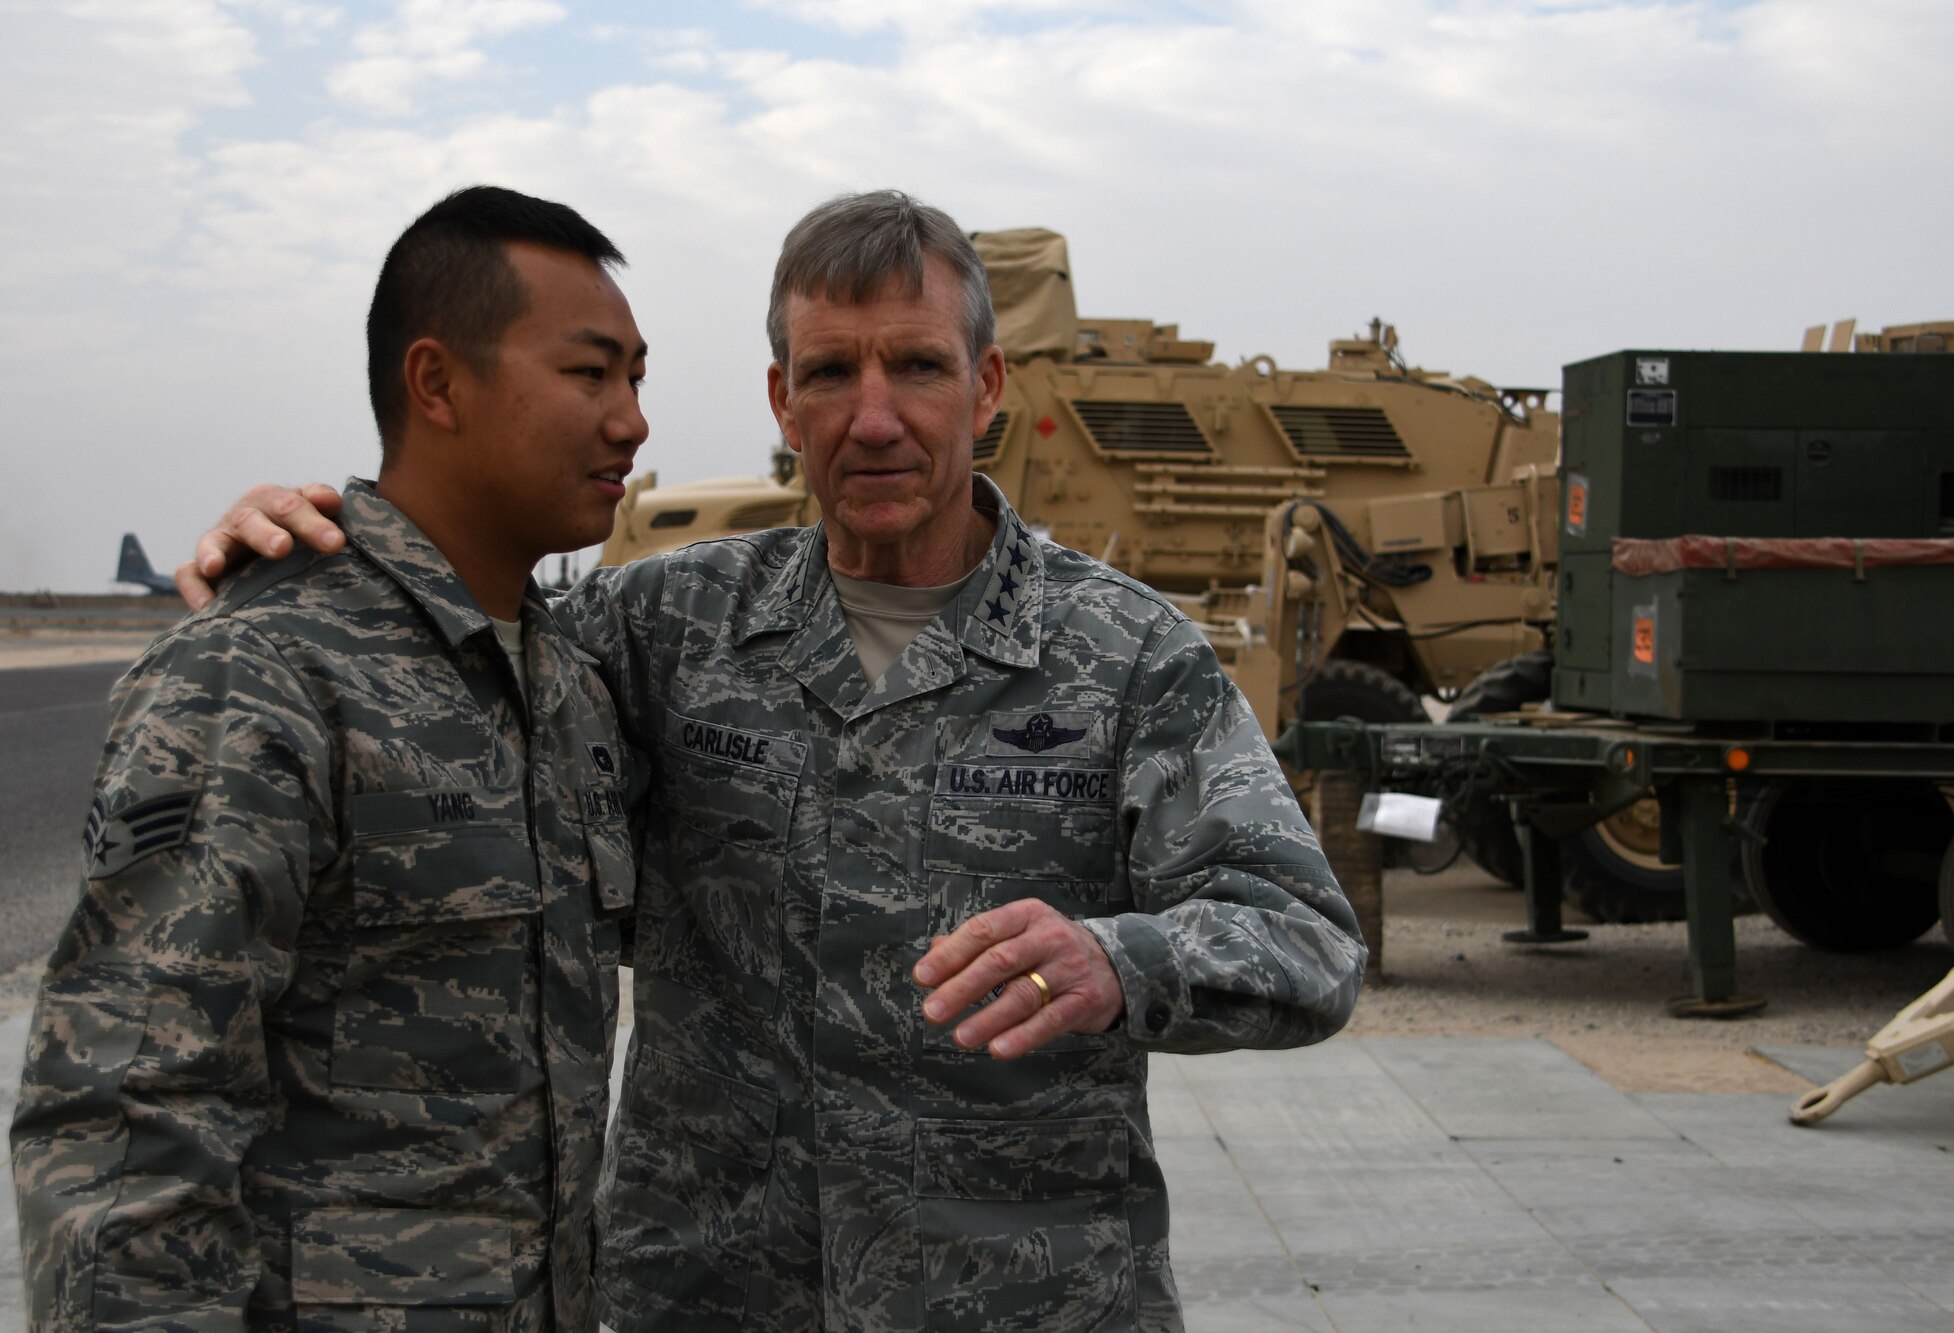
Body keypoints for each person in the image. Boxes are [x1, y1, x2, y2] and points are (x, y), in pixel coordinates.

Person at [181, 189, 1366, 1332]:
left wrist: (1117, 956)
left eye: (916, 365)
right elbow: (449, 656)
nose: (874, 416)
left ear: (987, 386)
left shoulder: (1122, 651)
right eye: (829, 373)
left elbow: (1305, 936)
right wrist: (321, 546)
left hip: (1023, 1294)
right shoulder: (657, 630)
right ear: (780, 400)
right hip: (710, 1292)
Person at [14, 185, 649, 1331]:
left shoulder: (566, 684)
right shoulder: (262, 670)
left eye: (635, 377)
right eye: (589, 373)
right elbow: (128, 1118)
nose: (631, 420)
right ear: (436, 382)